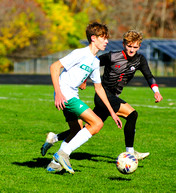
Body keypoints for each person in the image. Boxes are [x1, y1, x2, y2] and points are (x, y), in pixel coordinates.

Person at [42, 29, 163, 173]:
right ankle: (130, 153)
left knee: (81, 128)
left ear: (139, 47)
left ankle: (54, 145)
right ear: (124, 44)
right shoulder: (111, 56)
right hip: (103, 95)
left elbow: (148, 75)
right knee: (131, 115)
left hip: (109, 97)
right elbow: (90, 64)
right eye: (129, 46)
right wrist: (83, 80)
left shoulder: (139, 60)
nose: (131, 50)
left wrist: (156, 91)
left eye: (135, 47)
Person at [45, 22, 122, 174]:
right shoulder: (80, 53)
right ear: (93, 38)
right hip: (66, 95)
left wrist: (112, 112)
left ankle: (54, 164)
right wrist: (58, 93)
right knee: (97, 123)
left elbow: (99, 88)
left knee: (75, 130)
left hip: (71, 94)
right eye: (103, 38)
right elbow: (54, 67)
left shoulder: (95, 61)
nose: (106, 41)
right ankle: (62, 154)